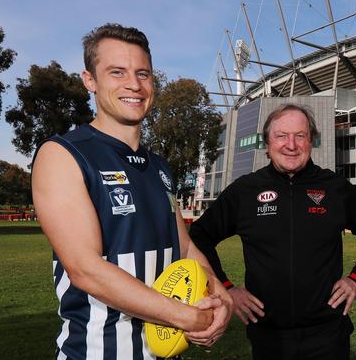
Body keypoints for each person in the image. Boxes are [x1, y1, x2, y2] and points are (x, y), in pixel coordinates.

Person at [32, 23, 232, 359]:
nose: (134, 85)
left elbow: (184, 246)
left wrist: (220, 295)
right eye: (117, 72)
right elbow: (85, 268)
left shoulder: (159, 168)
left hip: (168, 350)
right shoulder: (63, 154)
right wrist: (188, 316)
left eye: (143, 73)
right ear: (90, 80)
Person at [189, 103, 356, 360]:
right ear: (267, 144)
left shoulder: (335, 188)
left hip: (327, 336)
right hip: (267, 337)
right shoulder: (245, 191)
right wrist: (226, 288)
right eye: (281, 136)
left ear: (311, 141)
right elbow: (199, 236)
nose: (291, 145)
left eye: (300, 136)